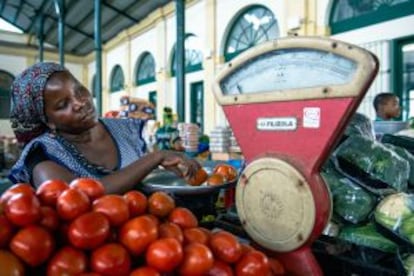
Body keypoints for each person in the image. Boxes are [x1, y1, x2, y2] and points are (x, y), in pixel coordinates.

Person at [8, 62, 201, 194]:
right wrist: (156, 157)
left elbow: (141, 173)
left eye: (79, 90)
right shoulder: (43, 155)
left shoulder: (124, 130)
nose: (80, 103)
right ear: (47, 120)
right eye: (62, 105)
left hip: (148, 238)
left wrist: (169, 166)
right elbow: (84, 196)